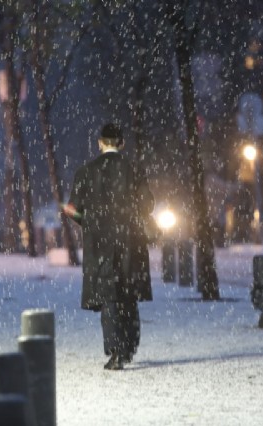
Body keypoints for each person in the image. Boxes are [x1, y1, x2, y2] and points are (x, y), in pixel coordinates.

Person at [63, 123, 154, 370]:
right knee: (128, 295)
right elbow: (147, 205)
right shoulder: (134, 170)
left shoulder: (86, 171)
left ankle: (115, 350)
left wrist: (89, 223)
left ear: (100, 143)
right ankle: (129, 346)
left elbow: (71, 209)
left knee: (109, 297)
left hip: (99, 244)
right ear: (122, 144)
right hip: (131, 241)